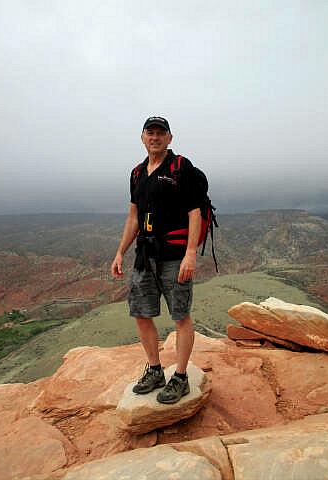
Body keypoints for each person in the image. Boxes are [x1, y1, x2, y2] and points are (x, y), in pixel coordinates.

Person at [111, 116, 202, 404]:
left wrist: (190, 254)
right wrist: (119, 252)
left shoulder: (180, 167)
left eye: (160, 133)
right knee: (141, 313)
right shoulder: (137, 173)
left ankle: (181, 377)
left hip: (175, 255)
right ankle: (155, 369)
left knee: (180, 315)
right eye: (150, 133)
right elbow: (133, 216)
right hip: (145, 255)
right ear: (142, 138)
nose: (155, 137)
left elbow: (194, 212)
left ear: (169, 139)